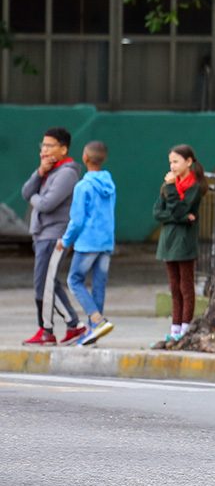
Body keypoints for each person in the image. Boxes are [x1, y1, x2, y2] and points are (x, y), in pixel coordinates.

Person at [21, 127, 84, 345]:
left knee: (44, 285)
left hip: (54, 235)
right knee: (47, 284)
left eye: (49, 146)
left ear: (63, 149)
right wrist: (39, 173)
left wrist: (35, 198)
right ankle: (59, 328)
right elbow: (25, 191)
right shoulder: (49, 171)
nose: (43, 151)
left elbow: (46, 204)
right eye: (42, 146)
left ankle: (58, 327)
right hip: (42, 235)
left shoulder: (67, 173)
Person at [58, 141, 116, 346]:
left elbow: (78, 219)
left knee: (74, 280)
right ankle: (94, 331)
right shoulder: (110, 183)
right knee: (99, 284)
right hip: (106, 242)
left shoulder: (82, 186)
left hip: (88, 242)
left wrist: (65, 240)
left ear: (85, 158)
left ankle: (96, 319)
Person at [154, 145, 207, 343]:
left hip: (184, 242)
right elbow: (158, 212)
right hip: (168, 241)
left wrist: (171, 190)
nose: (172, 166)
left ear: (189, 162)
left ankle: (185, 327)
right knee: (174, 287)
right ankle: (175, 328)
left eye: (176, 161)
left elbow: (177, 210)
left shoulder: (195, 186)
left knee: (186, 286)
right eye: (170, 162)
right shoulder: (168, 184)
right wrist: (182, 217)